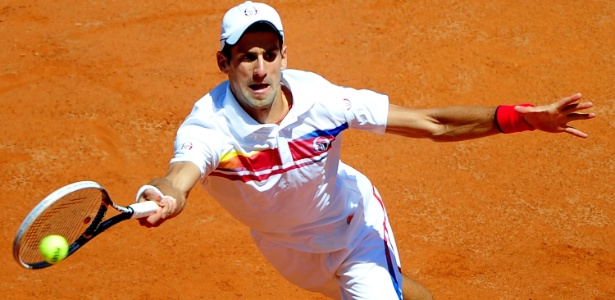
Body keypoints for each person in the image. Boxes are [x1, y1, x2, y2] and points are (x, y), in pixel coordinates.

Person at [135, 1, 595, 299]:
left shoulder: (324, 101)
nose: (260, 69)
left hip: (354, 224)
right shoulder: (210, 127)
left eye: (269, 54)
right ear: (225, 62)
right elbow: (180, 173)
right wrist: (167, 195)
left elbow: (431, 123)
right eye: (247, 56)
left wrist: (519, 118)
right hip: (286, 250)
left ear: (283, 56)